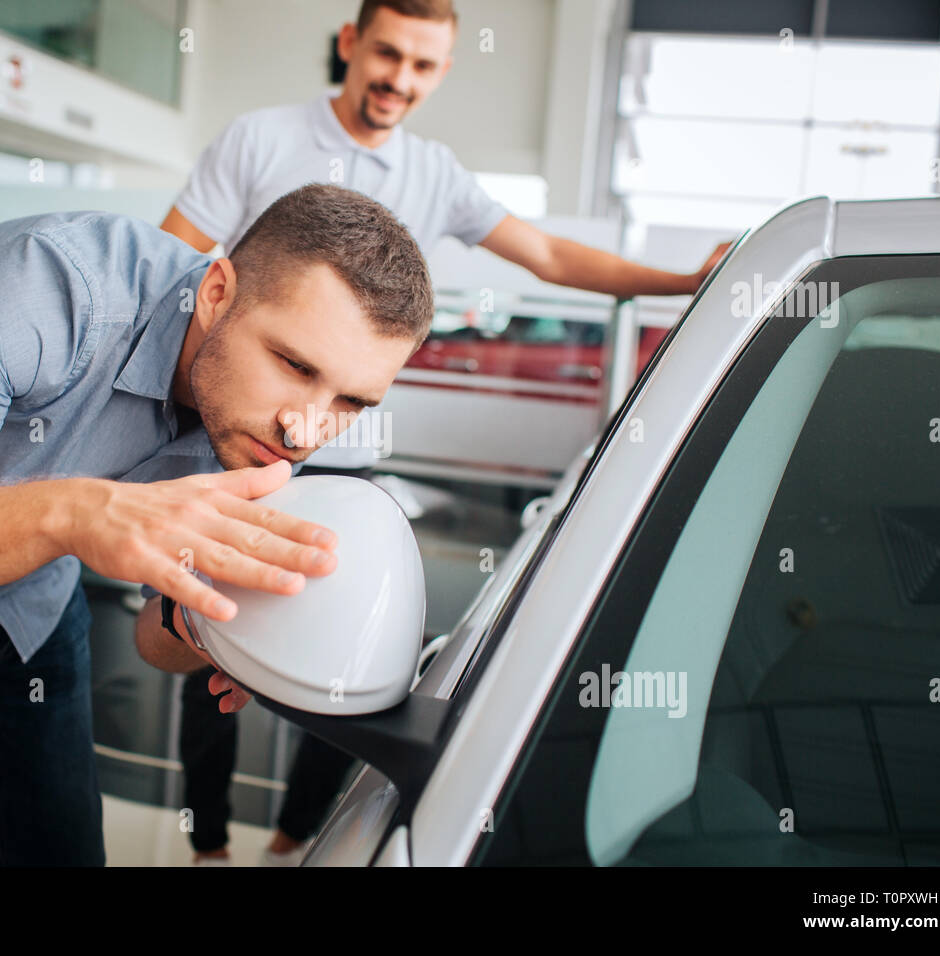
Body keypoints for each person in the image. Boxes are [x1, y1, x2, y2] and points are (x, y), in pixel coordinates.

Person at [160, 0, 730, 865]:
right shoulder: (259, 138)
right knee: (205, 641)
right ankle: (206, 847)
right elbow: (166, 258)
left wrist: (684, 280)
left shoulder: (435, 173)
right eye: (388, 54)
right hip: (234, 443)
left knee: (345, 656)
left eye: (424, 66)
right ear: (350, 44)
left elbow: (549, 258)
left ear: (442, 72)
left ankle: (289, 843)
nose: (400, 79)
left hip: (347, 466)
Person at [0, 183, 434, 865]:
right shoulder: (47, 281)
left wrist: (210, 627)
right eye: (294, 365)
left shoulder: (263, 439)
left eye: (350, 401)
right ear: (215, 293)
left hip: (30, 596)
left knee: (60, 845)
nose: (305, 430)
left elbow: (157, 637)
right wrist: (79, 514)